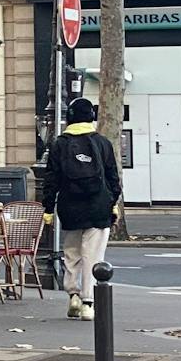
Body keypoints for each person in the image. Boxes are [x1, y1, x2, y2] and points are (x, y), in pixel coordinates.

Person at [40, 96, 123, 320]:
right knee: (92, 256)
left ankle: (72, 295)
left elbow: (51, 181)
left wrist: (48, 209)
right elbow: (113, 179)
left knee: (72, 254)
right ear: (91, 117)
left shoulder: (59, 144)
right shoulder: (102, 143)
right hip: (98, 207)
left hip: (70, 207)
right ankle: (88, 302)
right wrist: (112, 203)